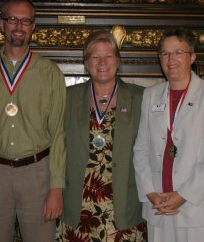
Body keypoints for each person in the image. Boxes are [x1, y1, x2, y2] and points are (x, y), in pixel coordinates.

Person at [0, 0, 66, 242]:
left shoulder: (50, 73)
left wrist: (56, 188)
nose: (19, 26)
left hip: (38, 174)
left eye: (26, 20)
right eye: (12, 19)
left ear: (33, 26)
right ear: (1, 24)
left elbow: (59, 134)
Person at [133, 28, 204, 242]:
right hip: (158, 205)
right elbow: (141, 148)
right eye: (165, 54)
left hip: (199, 205)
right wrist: (150, 192)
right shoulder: (150, 95)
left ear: (193, 57)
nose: (171, 60)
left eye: (178, 52)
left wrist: (183, 196)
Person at [56, 31, 147, 241]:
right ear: (86, 63)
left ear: (118, 60)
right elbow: (57, 148)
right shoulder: (67, 97)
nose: (102, 62)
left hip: (123, 205)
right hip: (78, 206)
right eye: (95, 57)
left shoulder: (140, 97)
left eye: (108, 56)